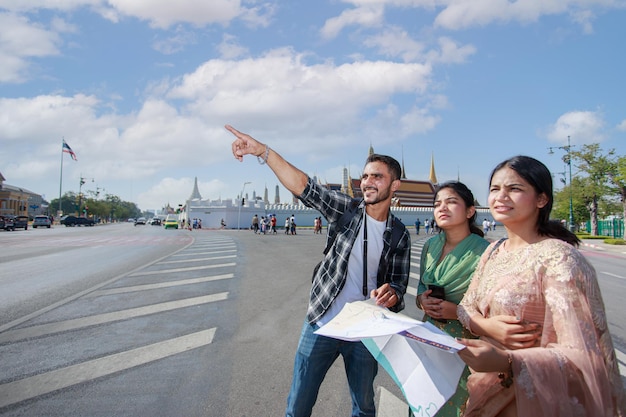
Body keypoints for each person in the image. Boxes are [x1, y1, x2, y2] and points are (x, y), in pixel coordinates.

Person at [226, 124, 411, 417]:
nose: (368, 182)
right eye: (365, 176)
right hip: (323, 321)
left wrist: (393, 294)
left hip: (365, 330)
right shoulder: (346, 210)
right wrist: (262, 151)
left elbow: (399, 286)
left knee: (363, 407)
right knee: (298, 405)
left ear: (395, 184)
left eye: (377, 176)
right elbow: (304, 186)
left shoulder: (400, 234)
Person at [456, 155, 625, 416]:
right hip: (484, 388)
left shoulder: (558, 258)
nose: (501, 197)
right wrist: (485, 326)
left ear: (541, 199)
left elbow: (583, 356)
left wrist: (508, 360)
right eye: (494, 189)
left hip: (534, 400)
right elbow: (466, 306)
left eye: (514, 189)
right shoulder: (493, 251)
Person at [415, 181, 490, 417]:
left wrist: (457, 311)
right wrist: (421, 301)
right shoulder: (430, 246)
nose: (442, 208)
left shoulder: (485, 252)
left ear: (470, 211)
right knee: (424, 404)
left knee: (456, 407)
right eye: (437, 204)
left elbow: (493, 309)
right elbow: (420, 287)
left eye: (451, 202)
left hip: (464, 344)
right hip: (429, 338)